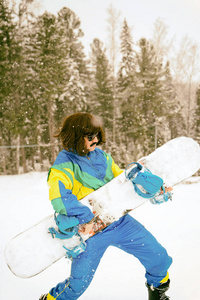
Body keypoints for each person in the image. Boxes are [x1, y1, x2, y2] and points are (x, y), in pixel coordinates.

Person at [40, 112, 172, 300]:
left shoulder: (101, 156)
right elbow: (59, 197)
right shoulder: (64, 165)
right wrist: (86, 217)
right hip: (91, 233)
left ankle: (157, 292)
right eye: (90, 136)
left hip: (119, 221)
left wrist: (147, 184)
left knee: (158, 258)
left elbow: (120, 181)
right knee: (77, 285)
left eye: (97, 135)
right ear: (75, 136)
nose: (96, 140)